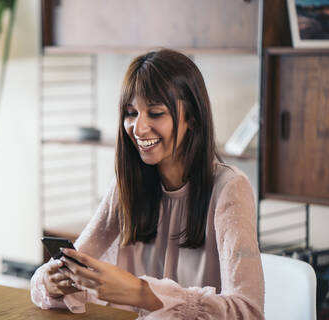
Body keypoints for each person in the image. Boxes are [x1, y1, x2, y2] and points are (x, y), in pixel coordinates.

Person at [30, 49, 264, 319]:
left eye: (154, 113)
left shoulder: (229, 188)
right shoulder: (127, 185)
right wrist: (53, 281)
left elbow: (248, 311)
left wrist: (140, 293)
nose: (138, 128)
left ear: (192, 118)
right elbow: (62, 266)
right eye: (131, 113)